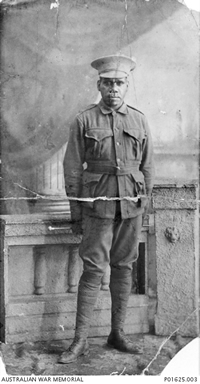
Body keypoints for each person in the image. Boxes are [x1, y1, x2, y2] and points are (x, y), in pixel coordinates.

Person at [60, 54, 154, 364]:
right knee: (93, 270)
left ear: (127, 86)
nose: (114, 88)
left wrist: (144, 203)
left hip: (131, 205)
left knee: (124, 266)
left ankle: (117, 333)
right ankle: (80, 340)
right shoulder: (83, 119)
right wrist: (76, 212)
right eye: (108, 83)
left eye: (119, 83)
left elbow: (147, 166)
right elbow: (72, 167)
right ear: (99, 86)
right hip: (97, 206)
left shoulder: (139, 120)